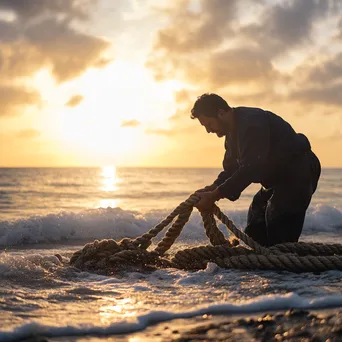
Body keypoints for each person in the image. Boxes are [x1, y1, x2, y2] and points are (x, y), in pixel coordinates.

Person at [191, 93, 321, 247]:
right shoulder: (232, 135)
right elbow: (231, 170)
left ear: (221, 113)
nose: (208, 131)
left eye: (209, 124)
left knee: (279, 221)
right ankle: (263, 263)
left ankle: (284, 265)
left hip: (299, 170)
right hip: (275, 179)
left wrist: (213, 196)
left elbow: (251, 169)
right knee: (255, 221)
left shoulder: (251, 122)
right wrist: (211, 188)